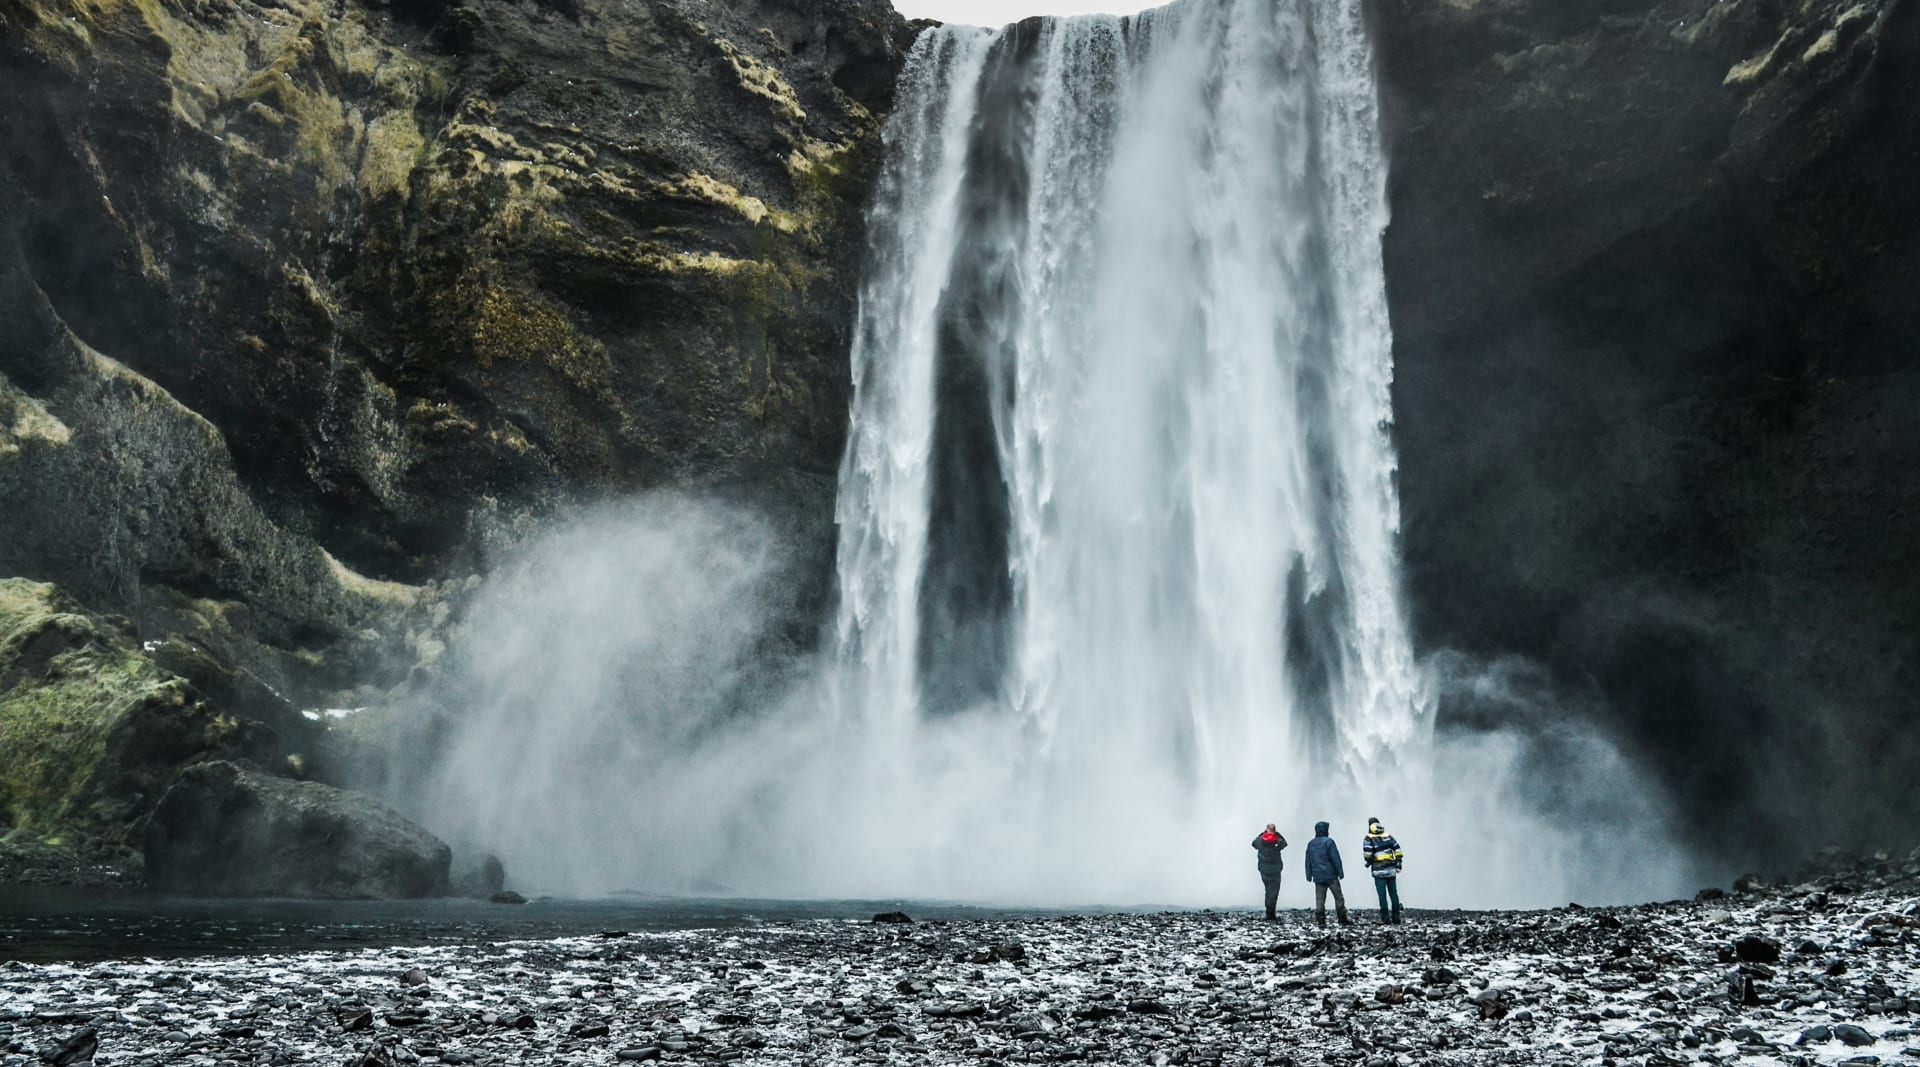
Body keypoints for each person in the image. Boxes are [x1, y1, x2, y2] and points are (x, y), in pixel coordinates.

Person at [1302, 820, 1349, 927]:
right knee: (1338, 898)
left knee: (1320, 900)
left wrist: (1308, 875)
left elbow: (1308, 861)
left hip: (1318, 876)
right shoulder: (1329, 842)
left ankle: (1321, 921)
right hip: (1331, 875)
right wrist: (1340, 872)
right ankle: (1342, 919)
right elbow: (1335, 858)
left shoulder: (1311, 843)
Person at [1362, 817, 1405, 924]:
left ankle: (1385, 919)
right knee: (1393, 894)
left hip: (1379, 871)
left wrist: (1370, 860)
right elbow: (1398, 849)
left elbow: (1368, 855)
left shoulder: (1369, 838)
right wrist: (1398, 864)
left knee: (1382, 895)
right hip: (1391, 870)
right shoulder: (1388, 836)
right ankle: (1396, 918)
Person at [1250, 823, 1288, 919]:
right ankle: (1270, 913)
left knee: (1268, 890)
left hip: (1263, 870)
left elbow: (1253, 843)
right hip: (1275, 870)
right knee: (1274, 892)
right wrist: (1277, 834)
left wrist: (1263, 834)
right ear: (1275, 831)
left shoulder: (1260, 841)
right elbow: (1285, 843)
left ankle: (1269, 912)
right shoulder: (1278, 841)